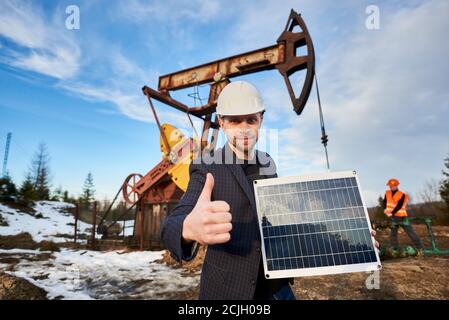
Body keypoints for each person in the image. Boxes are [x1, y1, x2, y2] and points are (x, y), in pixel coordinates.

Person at [161, 81, 378, 300]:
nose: (244, 128)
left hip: (277, 289)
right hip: (231, 291)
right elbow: (173, 223)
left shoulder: (266, 162)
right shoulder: (207, 165)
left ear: (261, 120)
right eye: (235, 120)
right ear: (222, 123)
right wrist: (187, 229)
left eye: (251, 120)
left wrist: (352, 236)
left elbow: (280, 220)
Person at [383, 178, 424, 256]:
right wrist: (385, 209)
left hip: (402, 217)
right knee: (393, 235)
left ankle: (421, 249)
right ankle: (394, 250)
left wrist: (392, 213)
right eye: (390, 185)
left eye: (393, 185)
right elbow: (384, 202)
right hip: (393, 217)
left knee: (411, 233)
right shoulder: (387, 193)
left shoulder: (401, 194)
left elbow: (399, 205)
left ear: (397, 185)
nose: (391, 187)